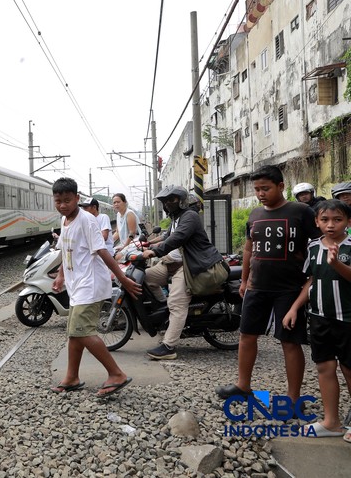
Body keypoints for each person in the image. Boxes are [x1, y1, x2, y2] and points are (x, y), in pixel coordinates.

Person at [216, 165, 321, 418]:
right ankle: (243, 385)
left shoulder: (301, 212)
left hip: (289, 288)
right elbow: (249, 249)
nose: (260, 193)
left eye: (265, 188)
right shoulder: (254, 214)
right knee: (246, 335)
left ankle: (293, 398)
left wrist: (313, 274)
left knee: (289, 341)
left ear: (281, 186)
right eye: (257, 189)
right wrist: (244, 280)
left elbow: (320, 243)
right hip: (257, 286)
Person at [49, 178, 141, 396]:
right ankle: (71, 377)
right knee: (74, 333)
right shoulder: (64, 220)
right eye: (58, 201)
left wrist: (122, 278)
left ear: (77, 198)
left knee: (81, 330)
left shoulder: (87, 221)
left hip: (90, 284)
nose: (63, 205)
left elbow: (102, 251)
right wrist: (61, 275)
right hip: (77, 285)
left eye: (67, 200)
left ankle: (116, 374)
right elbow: (66, 251)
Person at [282, 199, 351, 437]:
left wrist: (337, 264)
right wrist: (294, 308)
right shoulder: (313, 247)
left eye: (337, 219)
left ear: (348, 221)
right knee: (325, 366)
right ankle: (331, 422)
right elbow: (311, 280)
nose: (331, 225)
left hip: (347, 319)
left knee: (349, 368)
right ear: (316, 222)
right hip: (320, 317)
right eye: (325, 220)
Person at [141, 187, 225, 360]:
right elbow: (168, 236)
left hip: (187, 265)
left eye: (171, 200)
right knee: (146, 278)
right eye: (165, 201)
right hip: (170, 263)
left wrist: (155, 252)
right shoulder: (176, 218)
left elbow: (178, 237)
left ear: (181, 201)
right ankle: (166, 313)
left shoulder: (190, 216)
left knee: (177, 303)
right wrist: (149, 245)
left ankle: (169, 347)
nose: (167, 204)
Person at [112, 193, 140, 260]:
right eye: (114, 202)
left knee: (117, 257)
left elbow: (132, 233)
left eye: (118, 202)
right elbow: (117, 232)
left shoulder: (129, 214)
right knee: (109, 253)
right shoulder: (118, 214)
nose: (116, 204)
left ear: (124, 202)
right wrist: (108, 241)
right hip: (125, 244)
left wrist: (124, 247)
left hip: (133, 243)